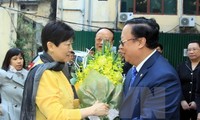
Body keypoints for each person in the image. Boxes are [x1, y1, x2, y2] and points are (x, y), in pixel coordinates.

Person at [20, 21, 109, 120]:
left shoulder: (57, 69)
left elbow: (65, 102)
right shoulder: (45, 74)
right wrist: (91, 110)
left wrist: (86, 101)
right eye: (67, 44)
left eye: (71, 44)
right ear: (51, 46)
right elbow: (56, 115)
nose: (71, 49)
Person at [119, 17, 181, 119]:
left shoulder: (164, 76)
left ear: (140, 42)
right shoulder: (132, 71)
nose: (120, 47)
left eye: (122, 41)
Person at [0, 48, 28, 120]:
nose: (19, 61)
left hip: (24, 113)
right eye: (15, 59)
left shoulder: (29, 75)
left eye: (21, 58)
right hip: (7, 114)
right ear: (8, 60)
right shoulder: (3, 74)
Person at [177, 40, 200, 120]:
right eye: (189, 50)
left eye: (194, 49)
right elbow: (177, 84)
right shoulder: (182, 66)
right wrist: (181, 100)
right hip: (182, 106)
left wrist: (197, 102)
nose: (191, 52)